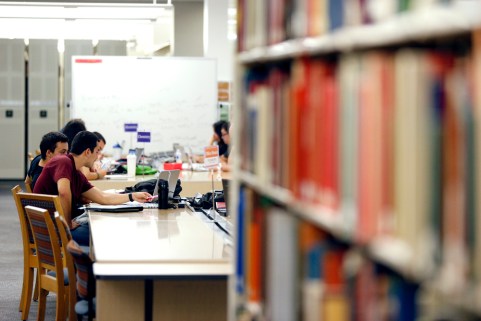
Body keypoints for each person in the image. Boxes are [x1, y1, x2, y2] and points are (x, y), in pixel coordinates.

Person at [34, 131, 151, 246]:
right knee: (104, 234)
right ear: (88, 152)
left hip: (56, 226)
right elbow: (63, 192)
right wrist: (67, 223)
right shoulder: (63, 161)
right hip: (51, 230)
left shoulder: (76, 174)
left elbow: (103, 197)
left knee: (105, 227)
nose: (97, 157)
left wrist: (132, 196)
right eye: (97, 151)